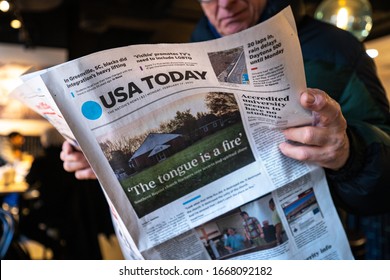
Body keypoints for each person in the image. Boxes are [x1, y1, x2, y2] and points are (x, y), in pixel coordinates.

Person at [60, 0, 390, 256]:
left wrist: (350, 152)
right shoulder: (187, 52)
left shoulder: (336, 48)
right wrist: (103, 158)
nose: (225, 5)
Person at [21, 127, 114, 259]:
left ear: (45, 142)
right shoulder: (75, 159)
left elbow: (28, 181)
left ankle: (55, 246)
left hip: (53, 211)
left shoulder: (41, 161)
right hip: (79, 212)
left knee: (24, 223)